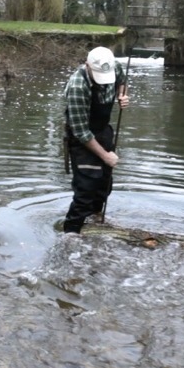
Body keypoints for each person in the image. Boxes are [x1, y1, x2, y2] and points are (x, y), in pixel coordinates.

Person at [63, 46, 129, 234]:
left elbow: (123, 82)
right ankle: (70, 235)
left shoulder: (112, 66)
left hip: (104, 131)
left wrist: (122, 95)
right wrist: (106, 156)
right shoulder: (77, 86)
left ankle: (94, 226)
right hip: (81, 138)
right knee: (86, 190)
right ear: (87, 66)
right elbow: (81, 132)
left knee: (103, 185)